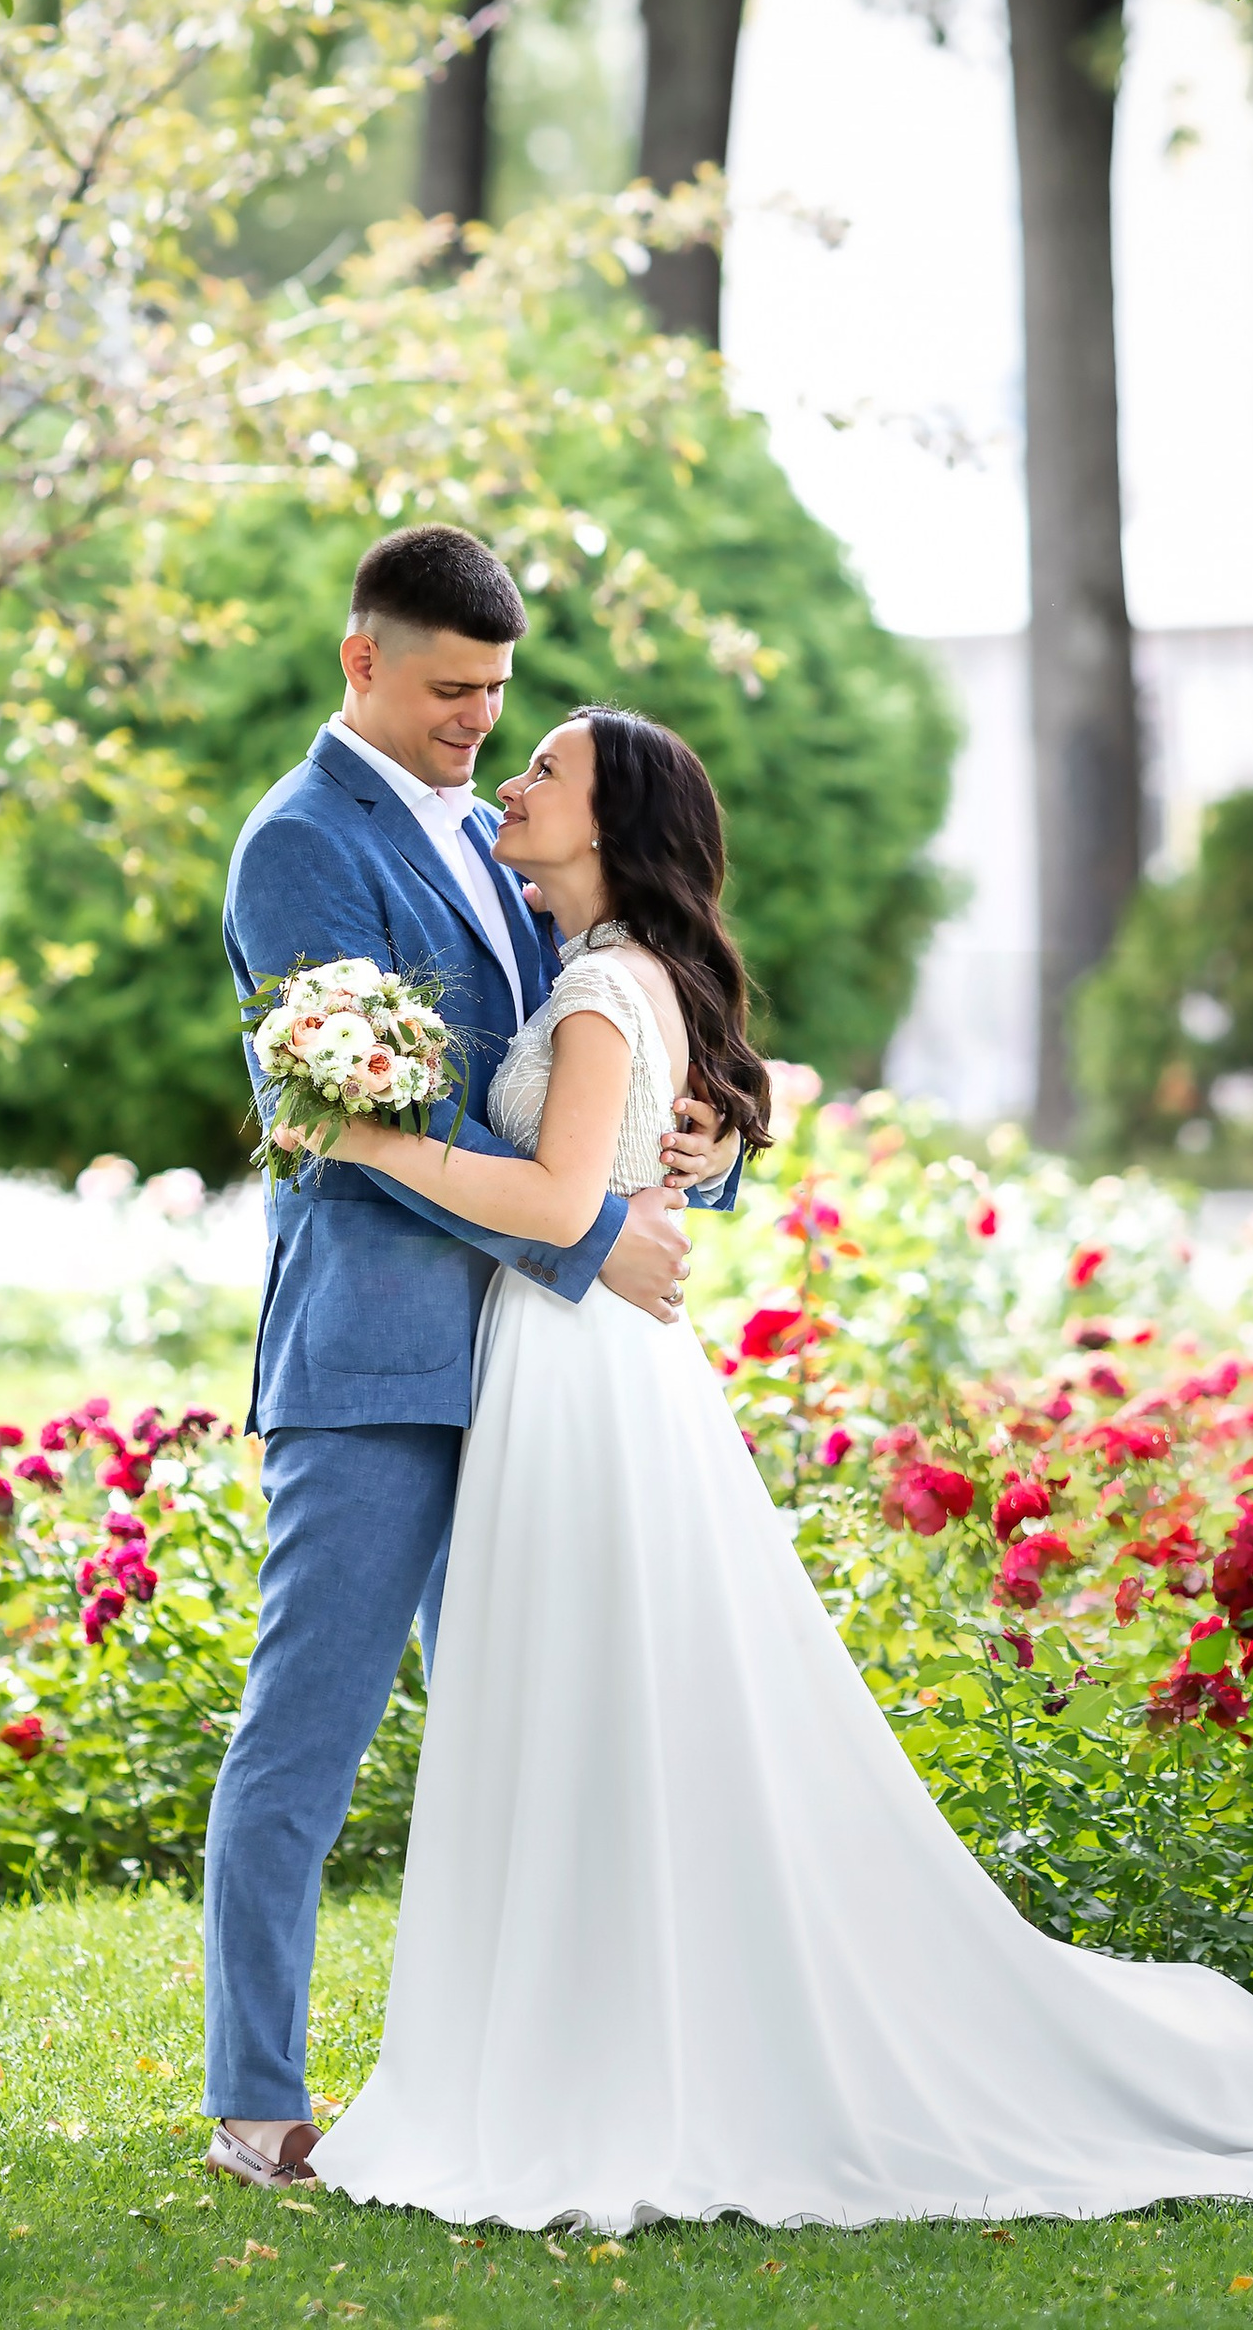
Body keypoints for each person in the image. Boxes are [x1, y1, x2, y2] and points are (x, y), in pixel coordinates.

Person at [304, 704, 1253, 2231]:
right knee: (599, 1701)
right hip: (583, 1361)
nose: (516, 782)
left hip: (582, 1361)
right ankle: (585, 2033)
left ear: (609, 829)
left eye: (550, 773)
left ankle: (583, 2062)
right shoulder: (610, 969)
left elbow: (550, 1197)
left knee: (587, 1696)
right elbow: (650, 1148)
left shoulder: (602, 991)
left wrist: (367, 1138)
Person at [203, 529, 742, 2192]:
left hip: (533, 1384)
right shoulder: (300, 845)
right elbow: (381, 1115)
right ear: (361, 661)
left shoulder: (501, 850)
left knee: (546, 1737)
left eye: (498, 697)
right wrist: (592, 1242)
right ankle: (255, 2106)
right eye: (449, 692)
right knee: (307, 1735)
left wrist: (698, 1152)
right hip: (379, 1367)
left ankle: (576, 2078)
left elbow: (577, 1066)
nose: (476, 727)